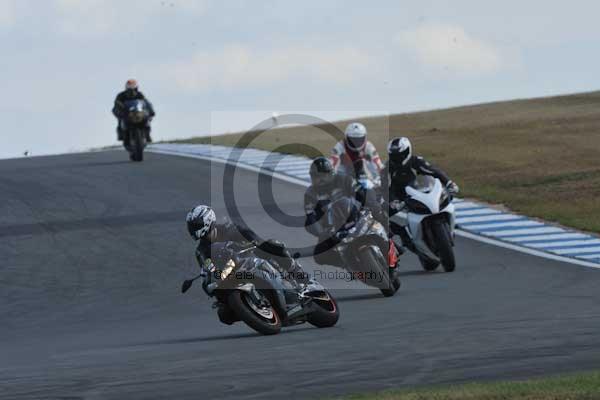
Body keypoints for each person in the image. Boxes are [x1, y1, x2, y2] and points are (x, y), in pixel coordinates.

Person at [186, 205, 309, 285]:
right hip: (230, 272)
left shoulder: (227, 228)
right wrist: (209, 274)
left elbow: (247, 233)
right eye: (191, 226)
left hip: (250, 256)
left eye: (195, 225)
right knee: (224, 313)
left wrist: (255, 241)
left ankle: (299, 275)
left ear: (207, 220)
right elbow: (206, 266)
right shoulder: (200, 251)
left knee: (275, 245)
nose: (193, 229)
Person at [304, 157, 385, 267]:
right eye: (315, 176)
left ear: (331, 173)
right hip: (332, 228)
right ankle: (348, 265)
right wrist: (321, 232)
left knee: (380, 214)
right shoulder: (310, 194)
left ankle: (391, 242)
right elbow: (310, 217)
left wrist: (372, 205)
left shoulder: (344, 179)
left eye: (322, 176)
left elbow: (361, 191)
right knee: (319, 256)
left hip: (356, 214)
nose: (319, 179)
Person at [383, 137, 459, 248]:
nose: (397, 158)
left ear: (407, 151)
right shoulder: (387, 168)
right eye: (394, 156)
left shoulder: (416, 161)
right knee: (381, 217)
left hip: (421, 192)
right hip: (400, 198)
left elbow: (434, 171)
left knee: (447, 197)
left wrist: (449, 183)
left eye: (400, 154)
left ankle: (450, 225)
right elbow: (384, 187)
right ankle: (403, 235)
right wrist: (393, 201)